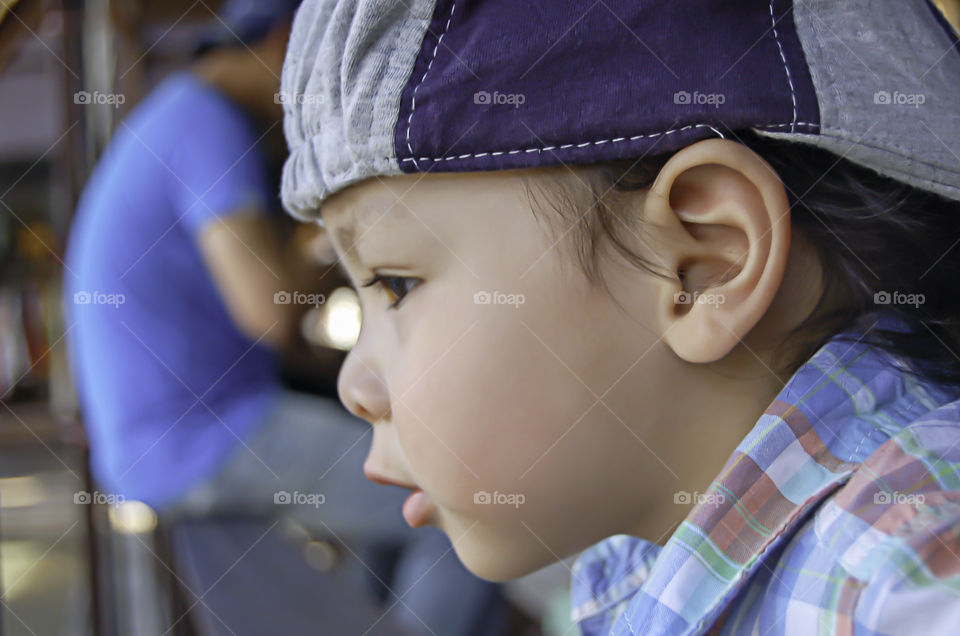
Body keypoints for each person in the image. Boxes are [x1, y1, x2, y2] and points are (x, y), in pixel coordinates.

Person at [277, 0, 960, 634]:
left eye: (395, 284)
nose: (354, 387)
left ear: (703, 265)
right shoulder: (644, 560)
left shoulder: (908, 574)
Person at [64, 1, 504, 634]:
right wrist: (335, 241)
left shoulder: (173, 117)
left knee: (397, 509)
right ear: (287, 44)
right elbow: (270, 310)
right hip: (201, 434)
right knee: (464, 504)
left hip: (171, 433)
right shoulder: (201, 122)